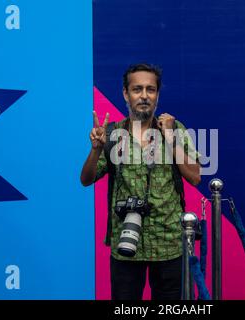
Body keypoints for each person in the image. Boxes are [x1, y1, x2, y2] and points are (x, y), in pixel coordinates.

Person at [80, 63, 201, 300]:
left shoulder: (175, 129)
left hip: (168, 243)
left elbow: (195, 177)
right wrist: (96, 150)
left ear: (157, 95)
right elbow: (86, 179)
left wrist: (169, 137)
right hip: (126, 242)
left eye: (150, 89)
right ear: (126, 93)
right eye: (137, 89)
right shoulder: (113, 133)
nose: (144, 96)